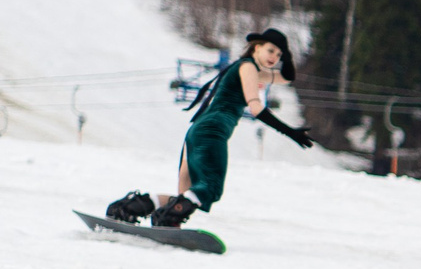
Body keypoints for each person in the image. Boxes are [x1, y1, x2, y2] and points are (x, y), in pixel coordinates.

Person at [106, 29, 314, 228]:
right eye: (271, 50)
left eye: (278, 54)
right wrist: (291, 132)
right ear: (256, 47)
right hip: (212, 131)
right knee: (210, 188)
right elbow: (256, 108)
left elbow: (287, 77)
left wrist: (287, 55)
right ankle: (165, 219)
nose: (274, 58)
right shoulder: (248, 68)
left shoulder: (247, 70)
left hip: (197, 130)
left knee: (185, 195)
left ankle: (129, 209)